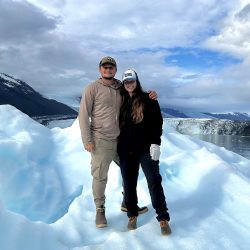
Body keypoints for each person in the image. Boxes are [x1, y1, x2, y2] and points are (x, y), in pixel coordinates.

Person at [78, 56, 156, 228]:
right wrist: (87, 140)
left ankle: (127, 203)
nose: (108, 70)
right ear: (100, 70)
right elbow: (83, 115)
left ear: (115, 69)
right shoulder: (92, 88)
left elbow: (135, 95)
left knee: (128, 172)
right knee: (100, 176)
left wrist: (150, 95)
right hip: (101, 140)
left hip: (122, 140)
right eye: (105, 67)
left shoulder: (120, 87)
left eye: (111, 67)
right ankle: (100, 210)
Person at [117, 69, 171, 235]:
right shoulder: (120, 100)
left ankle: (163, 218)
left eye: (132, 81)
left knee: (154, 181)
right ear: (123, 84)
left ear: (137, 81)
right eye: (126, 82)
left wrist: (156, 144)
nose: (129, 84)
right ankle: (132, 215)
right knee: (129, 184)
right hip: (126, 150)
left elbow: (157, 123)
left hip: (146, 149)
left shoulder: (149, 99)